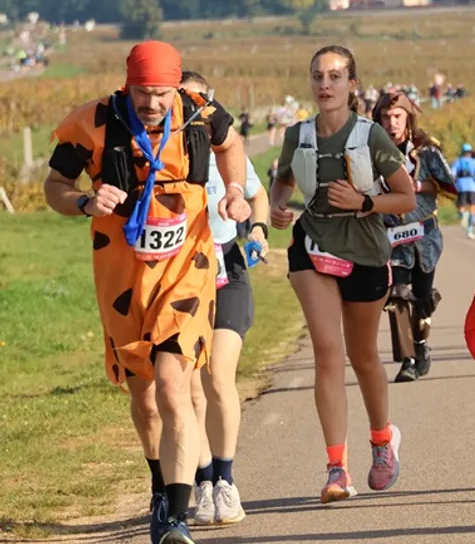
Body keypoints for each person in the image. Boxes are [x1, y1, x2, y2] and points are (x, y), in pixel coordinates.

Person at [43, 41, 250, 543]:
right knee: (148, 399)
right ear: (127, 84)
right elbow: (54, 187)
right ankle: (161, 488)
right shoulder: (94, 121)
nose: (152, 104)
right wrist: (87, 201)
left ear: (176, 86)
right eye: (142, 94)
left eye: (160, 94)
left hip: (187, 269)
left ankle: (177, 516)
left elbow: (233, 146)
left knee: (174, 383)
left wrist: (237, 191)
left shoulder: (201, 113)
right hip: (122, 275)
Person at [270, 45, 416, 504]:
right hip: (312, 248)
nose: (325, 85)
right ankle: (337, 468)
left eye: (335, 76)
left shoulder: (372, 136)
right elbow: (285, 178)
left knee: (363, 355)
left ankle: (381, 439)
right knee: (328, 352)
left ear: (352, 84)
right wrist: (277, 205)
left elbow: (406, 197)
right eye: (317, 76)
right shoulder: (298, 135)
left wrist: (364, 202)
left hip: (366, 251)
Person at [179, 73, 270, 527]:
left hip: (226, 271)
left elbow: (258, 194)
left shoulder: (225, 152)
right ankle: (204, 481)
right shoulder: (163, 157)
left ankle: (227, 481)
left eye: (200, 101)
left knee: (217, 376)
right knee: (190, 388)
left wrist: (257, 228)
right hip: (180, 280)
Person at [373, 92, 456, 383]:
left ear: (408, 118)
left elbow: (449, 187)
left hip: (425, 237)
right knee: (397, 296)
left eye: (397, 116)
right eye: (385, 117)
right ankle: (407, 359)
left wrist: (416, 185)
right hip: (390, 237)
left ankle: (421, 346)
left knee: (421, 298)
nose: (391, 123)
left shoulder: (426, 151)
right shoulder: (370, 152)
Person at [451, 143, 475, 239]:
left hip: (460, 186)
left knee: (461, 205)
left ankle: (463, 215)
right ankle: (470, 229)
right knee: (473, 207)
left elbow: (452, 173)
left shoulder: (457, 162)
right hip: (472, 187)